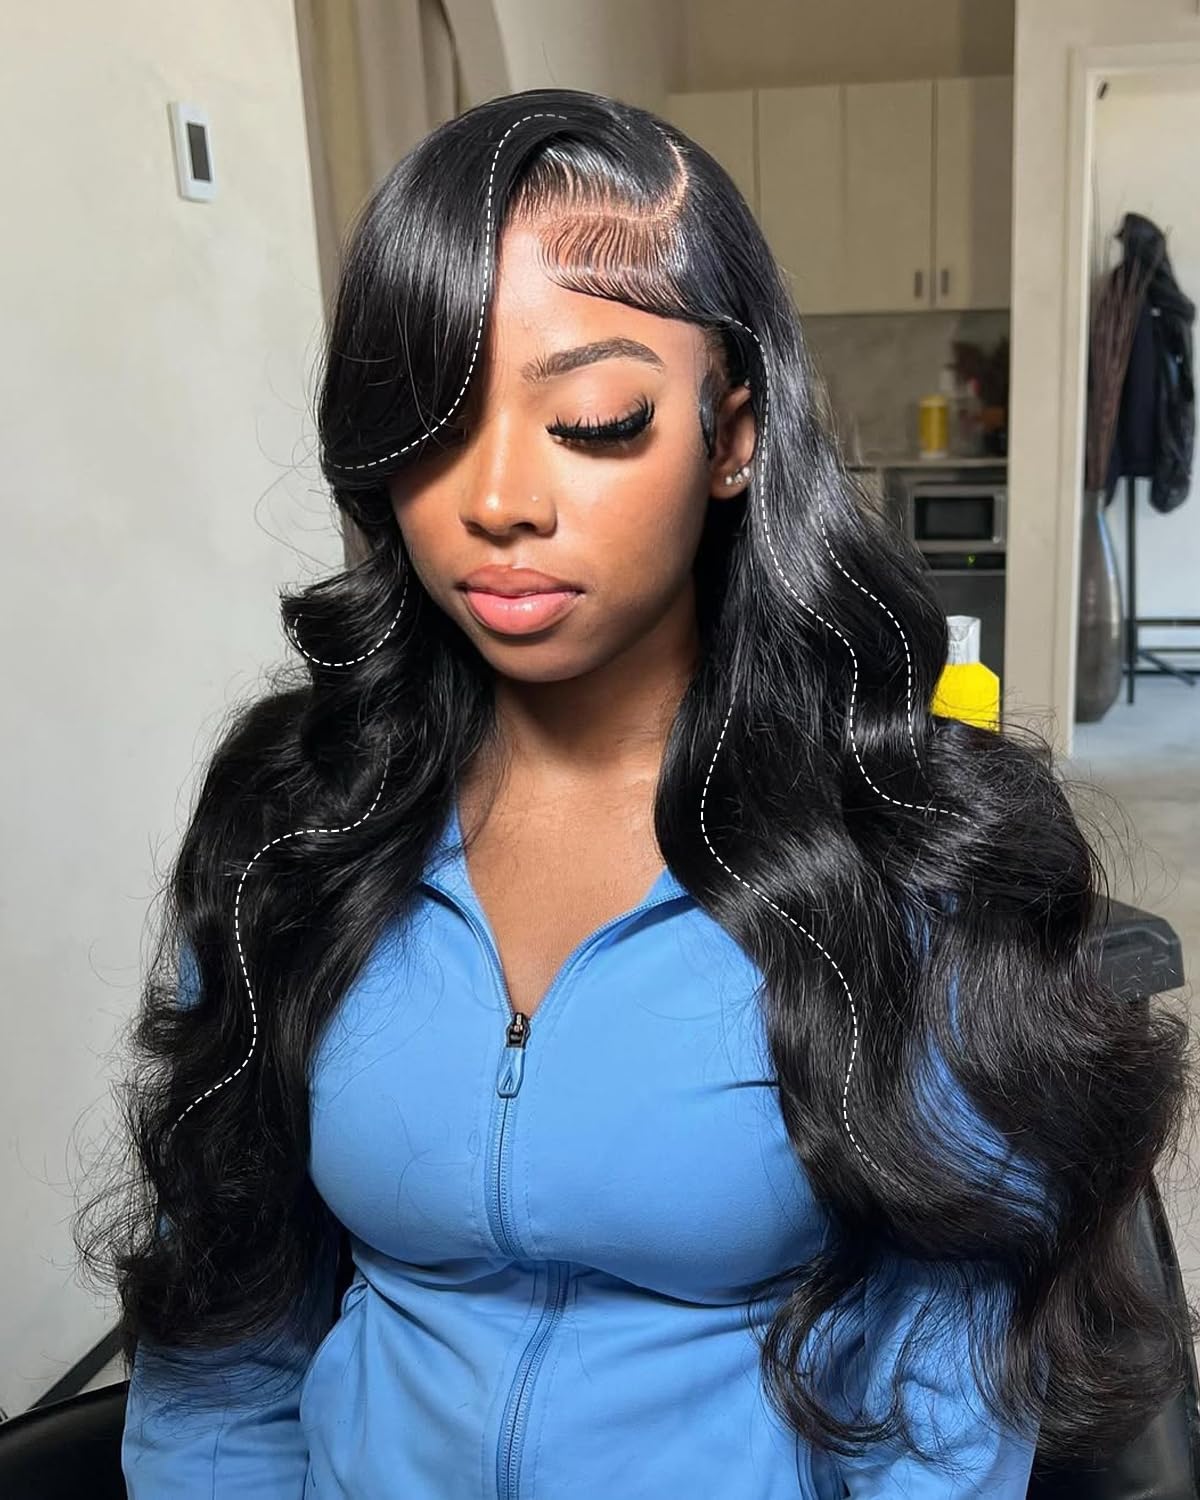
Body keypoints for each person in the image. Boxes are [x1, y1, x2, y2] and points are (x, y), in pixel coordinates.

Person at [78, 87, 1193, 1498]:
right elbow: (223, 1337)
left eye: (592, 418)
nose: (497, 498)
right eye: (433, 419)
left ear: (732, 433)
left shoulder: (904, 845)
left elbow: (946, 1400)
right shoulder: (291, 823)